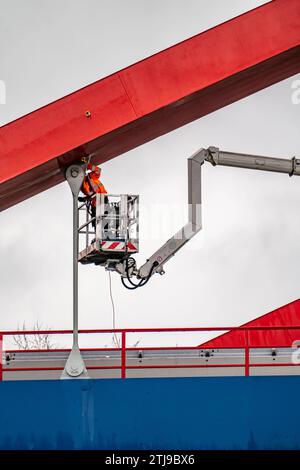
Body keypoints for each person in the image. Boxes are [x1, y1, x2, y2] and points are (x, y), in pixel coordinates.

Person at [81, 163, 107, 228]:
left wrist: (87, 165)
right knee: (96, 223)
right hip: (95, 203)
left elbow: (98, 170)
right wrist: (84, 199)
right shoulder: (82, 185)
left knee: (105, 220)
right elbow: (90, 195)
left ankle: (106, 235)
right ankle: (99, 236)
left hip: (103, 198)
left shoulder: (91, 176)